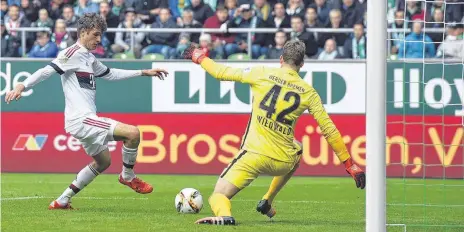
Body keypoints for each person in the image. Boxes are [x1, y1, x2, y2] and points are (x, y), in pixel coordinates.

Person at [187, 40, 366, 225]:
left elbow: (220, 73)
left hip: (253, 157)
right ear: (302, 64)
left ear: (281, 59)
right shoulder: (309, 92)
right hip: (283, 161)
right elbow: (329, 130)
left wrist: (200, 57)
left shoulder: (261, 73)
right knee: (297, 148)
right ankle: (267, 200)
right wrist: (349, 164)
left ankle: (225, 215)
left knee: (218, 195)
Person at [5, 13, 169, 210]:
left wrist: (143, 72)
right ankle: (127, 176)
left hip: (83, 120)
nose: (99, 40)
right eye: (95, 35)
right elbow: (46, 71)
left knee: (103, 162)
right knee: (133, 133)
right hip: (81, 119)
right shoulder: (72, 53)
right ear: (83, 33)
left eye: (100, 35)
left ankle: (62, 200)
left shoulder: (89, 58)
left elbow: (110, 74)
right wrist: (22, 85)